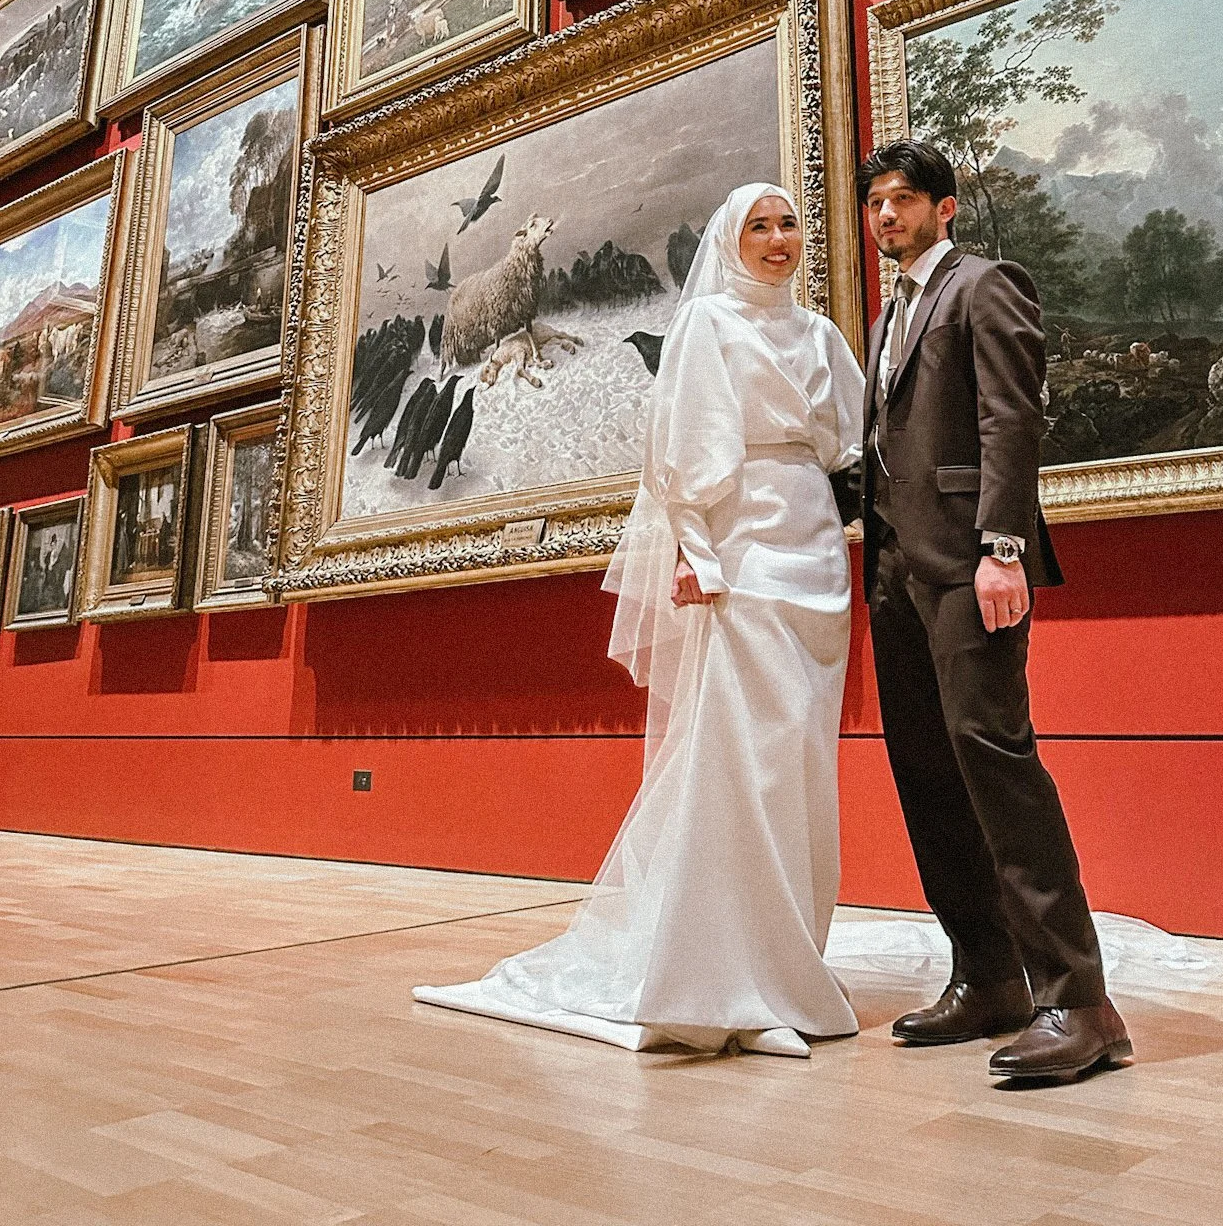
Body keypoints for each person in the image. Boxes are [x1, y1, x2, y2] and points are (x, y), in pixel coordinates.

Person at [414, 182, 866, 1057]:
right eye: (758, 228)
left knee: (799, 764)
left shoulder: (819, 335)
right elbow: (682, 450)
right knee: (737, 762)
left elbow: (848, 443)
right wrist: (696, 553)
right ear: (731, 241)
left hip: (816, 554)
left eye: (787, 226)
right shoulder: (706, 326)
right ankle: (720, 985)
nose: (776, 241)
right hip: (741, 557)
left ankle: (787, 966)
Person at [857, 139, 1131, 1087]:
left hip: (973, 564)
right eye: (875, 204)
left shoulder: (983, 284)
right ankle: (988, 977)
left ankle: (1080, 1001)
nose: (886, 217)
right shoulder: (890, 308)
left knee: (996, 764)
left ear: (946, 207)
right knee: (927, 772)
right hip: (894, 571)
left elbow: (1012, 419)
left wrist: (1002, 547)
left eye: (902, 200)